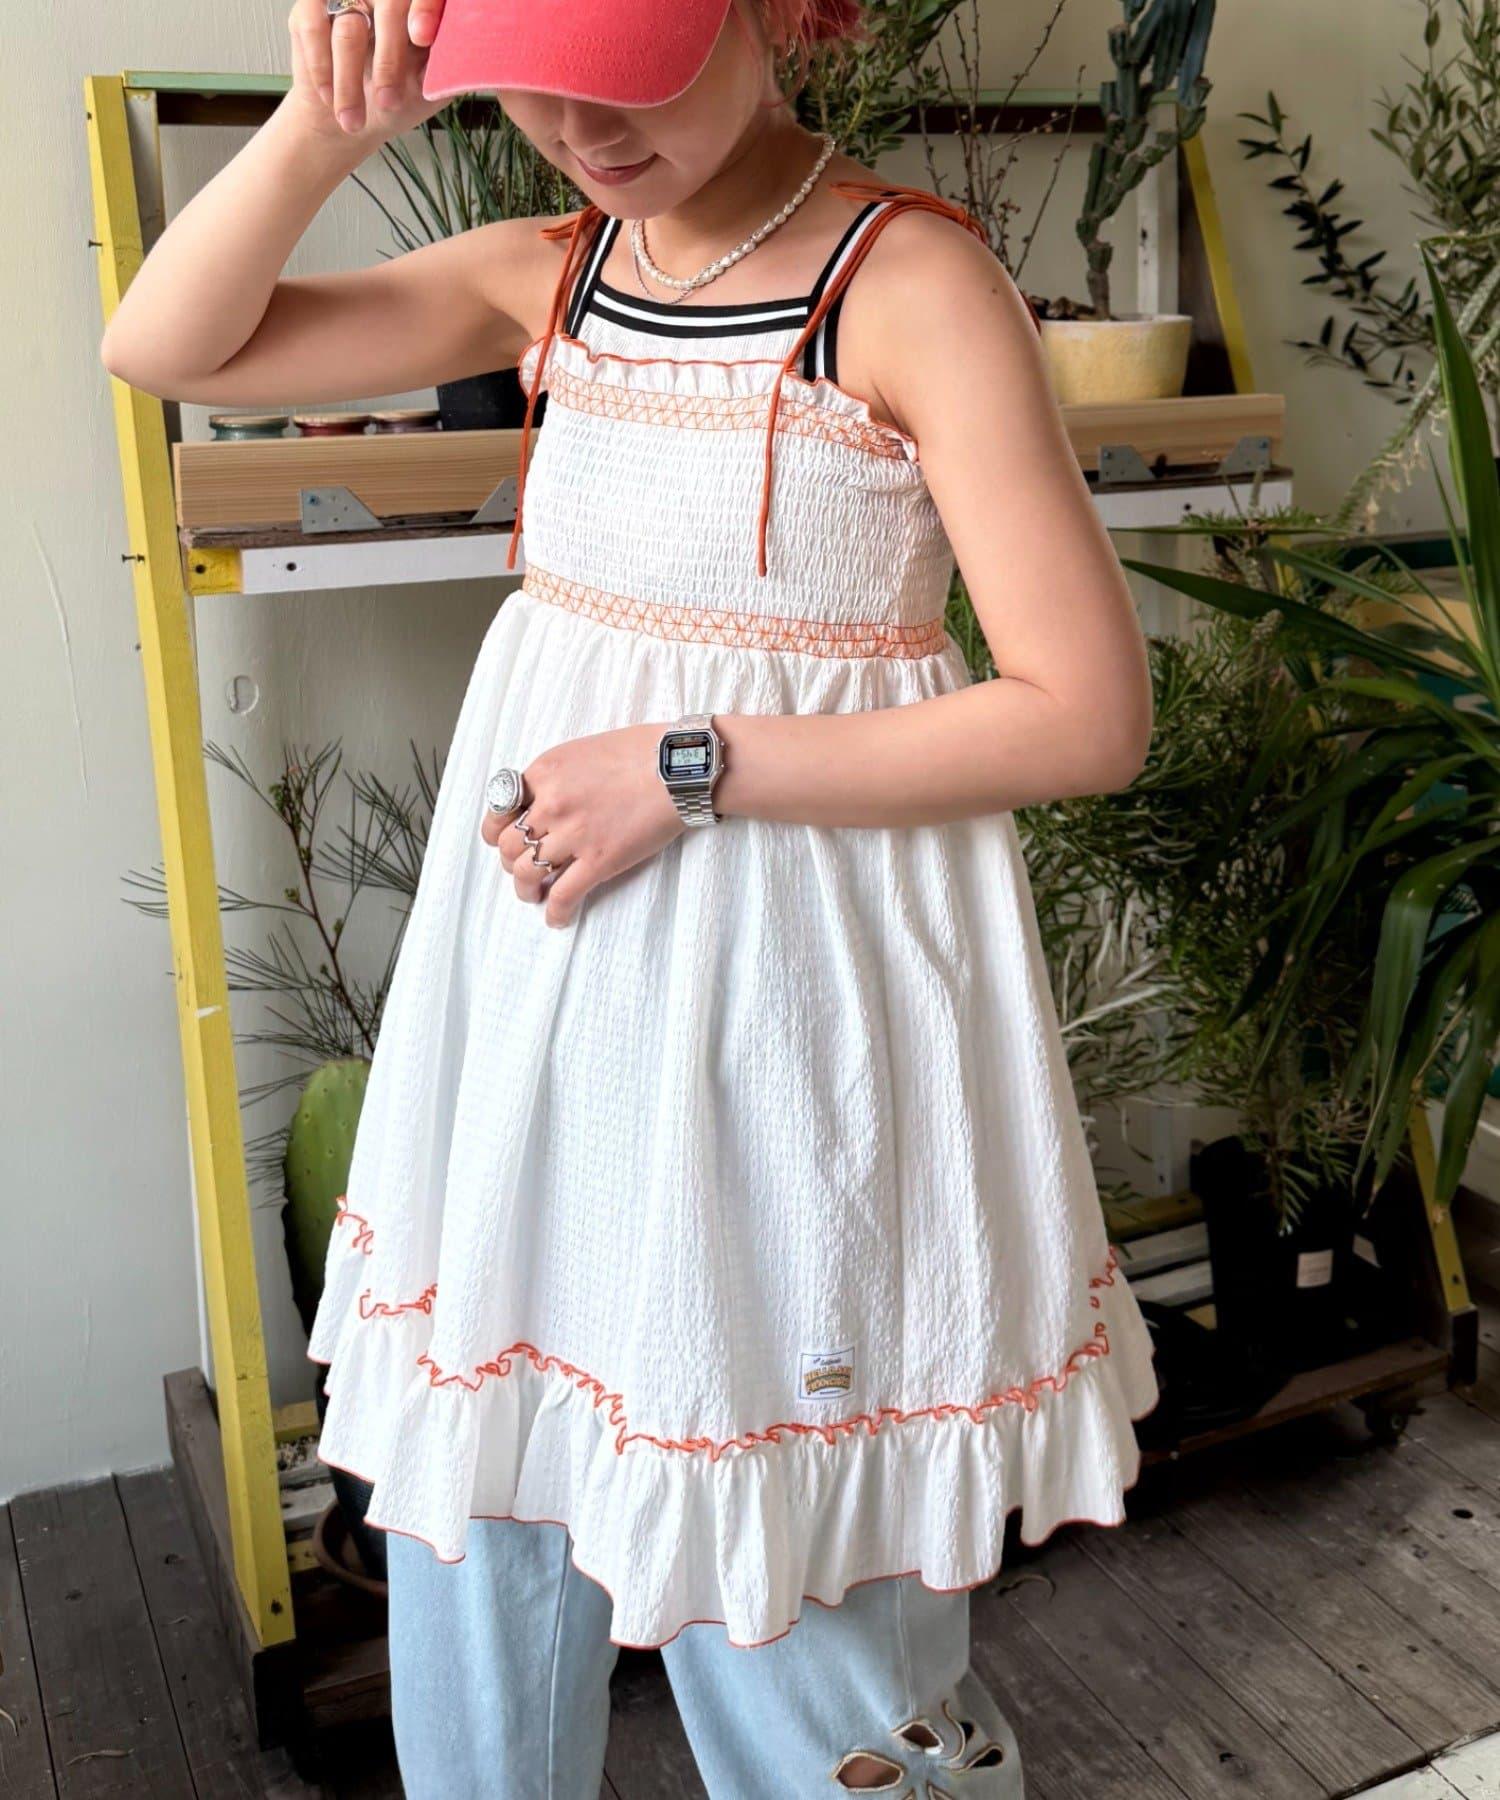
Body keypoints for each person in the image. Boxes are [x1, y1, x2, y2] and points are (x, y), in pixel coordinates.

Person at [100, 0, 1162, 1790]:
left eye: (626, 63)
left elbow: (1085, 714)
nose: (578, 124)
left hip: (795, 1011)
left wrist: (688, 764)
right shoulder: (549, 272)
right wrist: (325, 126)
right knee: (494, 1499)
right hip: (544, 1006)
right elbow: (162, 345)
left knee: (805, 1586)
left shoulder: (908, 287)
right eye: (523, 73)